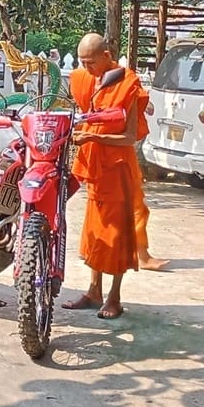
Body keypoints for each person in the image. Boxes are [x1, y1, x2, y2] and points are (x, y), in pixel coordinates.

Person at [61, 33, 149, 319]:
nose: (86, 68)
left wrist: (95, 139)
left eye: (91, 62)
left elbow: (128, 138)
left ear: (107, 55)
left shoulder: (128, 84)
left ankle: (115, 297)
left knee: (117, 234)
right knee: (95, 233)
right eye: (82, 62)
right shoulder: (87, 80)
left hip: (118, 168)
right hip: (97, 169)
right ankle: (93, 290)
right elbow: (85, 113)